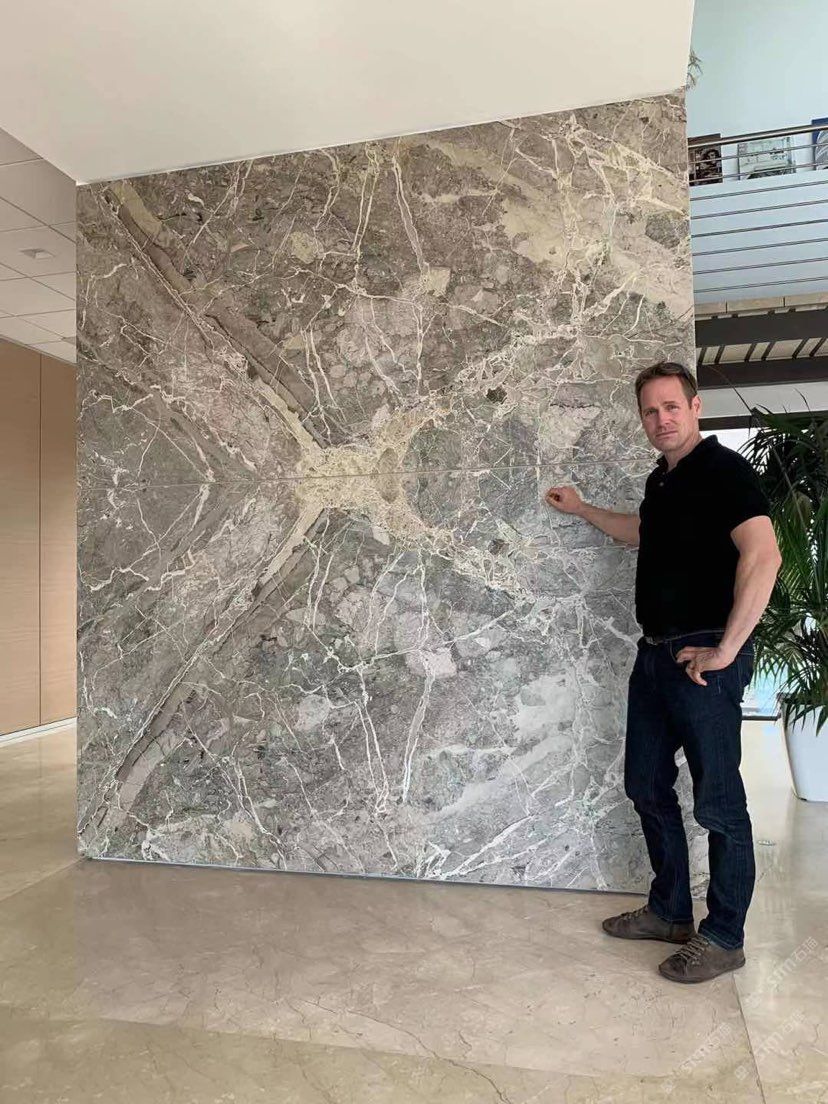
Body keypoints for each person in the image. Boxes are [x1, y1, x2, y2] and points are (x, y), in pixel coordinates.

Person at [546, 361, 781, 984]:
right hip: (654, 656)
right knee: (646, 785)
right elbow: (641, 533)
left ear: (695, 407)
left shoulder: (724, 471)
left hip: (704, 658)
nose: (661, 419)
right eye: (650, 411)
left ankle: (724, 936)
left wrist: (727, 649)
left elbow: (764, 554)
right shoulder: (663, 481)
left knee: (719, 804)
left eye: (672, 406)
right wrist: (584, 510)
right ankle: (671, 911)